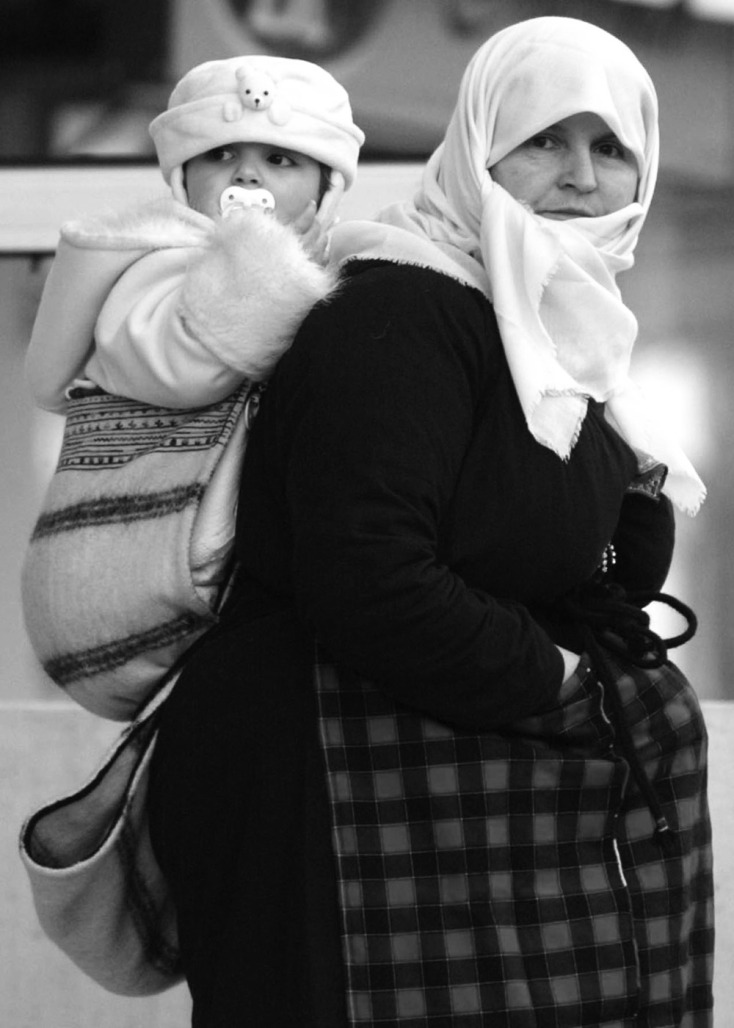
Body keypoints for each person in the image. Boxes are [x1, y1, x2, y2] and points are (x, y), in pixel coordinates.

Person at [147, 16, 713, 1027]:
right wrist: (562, 678)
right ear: (478, 149)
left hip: (443, 803)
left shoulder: (557, 338)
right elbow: (369, 574)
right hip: (322, 804)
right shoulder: (402, 313)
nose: (581, 177)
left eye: (611, 148)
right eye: (544, 139)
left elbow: (582, 567)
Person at [21, 56, 363, 716]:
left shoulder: (321, 271)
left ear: (326, 189)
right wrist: (262, 258)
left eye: (280, 160)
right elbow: (192, 365)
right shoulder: (152, 267)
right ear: (182, 177)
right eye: (221, 155)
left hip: (227, 589)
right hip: (141, 576)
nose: (247, 175)